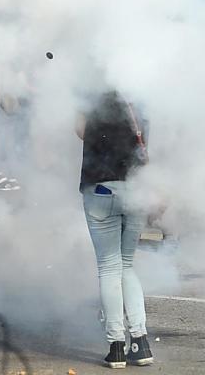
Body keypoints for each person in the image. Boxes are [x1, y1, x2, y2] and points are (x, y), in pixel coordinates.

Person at [77, 92, 154, 369]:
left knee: (109, 267)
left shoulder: (91, 89)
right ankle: (141, 341)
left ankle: (116, 345)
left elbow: (80, 130)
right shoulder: (141, 96)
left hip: (100, 189)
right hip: (136, 190)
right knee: (127, 265)